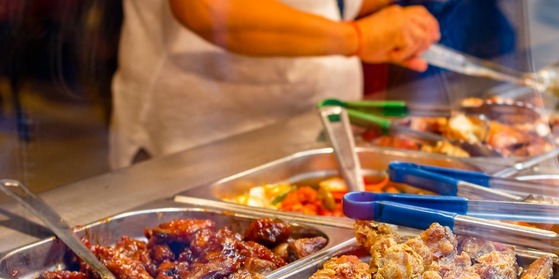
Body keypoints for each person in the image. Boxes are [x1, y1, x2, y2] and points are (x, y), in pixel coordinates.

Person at [109, 0, 440, 169]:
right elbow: (205, 8)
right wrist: (358, 37)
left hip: (312, 130)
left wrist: (394, 29)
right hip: (197, 138)